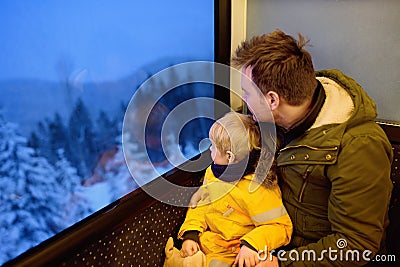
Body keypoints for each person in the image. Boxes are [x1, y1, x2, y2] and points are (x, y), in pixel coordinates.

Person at [228, 29, 393, 266]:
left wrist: (281, 263)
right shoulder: (273, 117)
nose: (243, 100)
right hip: (268, 234)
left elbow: (356, 245)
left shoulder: (360, 147)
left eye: (247, 92)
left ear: (272, 100)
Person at [165, 112, 292, 267]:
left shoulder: (258, 189)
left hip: (235, 252)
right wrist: (191, 234)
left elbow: (279, 227)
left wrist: (252, 244)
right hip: (208, 242)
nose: (210, 149)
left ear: (230, 157)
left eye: (213, 146)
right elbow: (201, 205)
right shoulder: (213, 172)